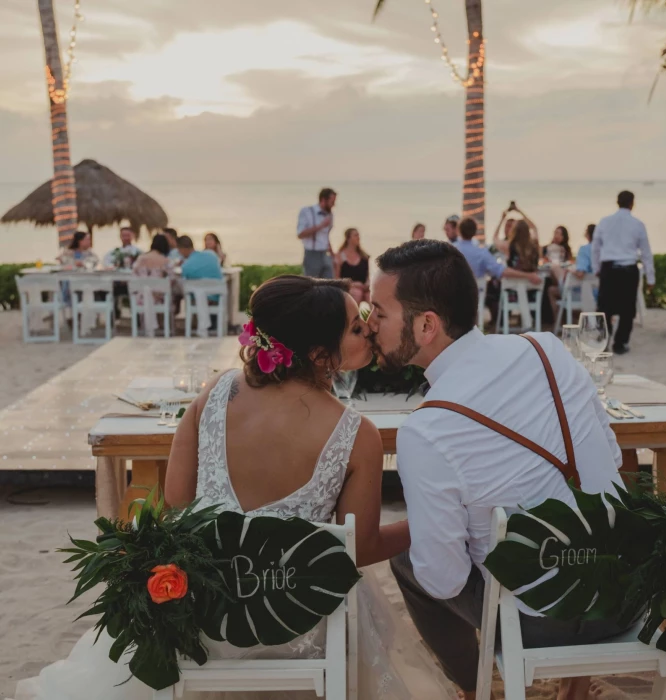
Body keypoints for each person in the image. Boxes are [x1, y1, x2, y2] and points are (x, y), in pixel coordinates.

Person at [11, 276, 457, 700]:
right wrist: (429, 523)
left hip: (203, 617)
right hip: (297, 617)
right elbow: (357, 549)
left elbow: (176, 506)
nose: (371, 331)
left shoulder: (215, 393)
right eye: (358, 327)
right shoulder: (356, 434)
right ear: (321, 354)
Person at [367, 239, 629, 700]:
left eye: (378, 312)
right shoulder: (548, 350)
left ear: (427, 325)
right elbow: (612, 457)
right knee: (570, 516)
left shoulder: (426, 430)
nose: (369, 325)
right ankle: (577, 688)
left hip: (542, 622)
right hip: (627, 596)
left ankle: (473, 691)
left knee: (412, 561)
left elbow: (443, 579)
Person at [592, 191, 655, 355]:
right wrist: (651, 277)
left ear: (617, 202)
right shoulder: (638, 224)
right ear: (632, 203)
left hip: (609, 268)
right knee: (628, 309)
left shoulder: (605, 222)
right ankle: (620, 343)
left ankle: (604, 339)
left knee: (604, 306)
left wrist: (596, 268)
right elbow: (646, 252)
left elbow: (595, 247)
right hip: (628, 269)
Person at [455, 218, 540, 324]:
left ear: (458, 230)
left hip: (453, 294)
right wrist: (529, 275)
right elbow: (501, 271)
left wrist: (502, 218)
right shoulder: (481, 253)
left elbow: (495, 239)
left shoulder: (450, 250)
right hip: (475, 293)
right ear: (475, 231)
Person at [177, 235, 225, 337]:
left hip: (200, 298)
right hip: (217, 295)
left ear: (182, 249)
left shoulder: (186, 266)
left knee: (194, 291)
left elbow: (185, 282)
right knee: (199, 291)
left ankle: (199, 326)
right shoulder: (211, 255)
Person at [131, 234, 174, 336]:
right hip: (157, 297)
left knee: (145, 294)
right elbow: (172, 279)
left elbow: (133, 276)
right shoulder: (165, 261)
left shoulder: (141, 258)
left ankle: (145, 327)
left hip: (141, 297)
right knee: (169, 295)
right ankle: (167, 327)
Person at [297, 188, 336, 278]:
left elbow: (326, 236)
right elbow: (300, 234)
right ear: (323, 200)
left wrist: (333, 254)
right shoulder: (306, 211)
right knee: (312, 285)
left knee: (329, 284)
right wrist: (320, 226)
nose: (334, 205)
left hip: (325, 254)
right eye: (332, 202)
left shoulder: (330, 214)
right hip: (312, 253)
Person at [334, 227, 370, 303]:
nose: (358, 237)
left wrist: (367, 284)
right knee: (357, 293)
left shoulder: (364, 256)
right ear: (348, 238)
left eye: (358, 235)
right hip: (348, 287)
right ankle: (354, 314)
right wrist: (353, 284)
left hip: (363, 287)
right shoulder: (340, 256)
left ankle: (374, 315)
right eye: (356, 235)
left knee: (370, 296)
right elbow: (336, 278)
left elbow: (367, 276)